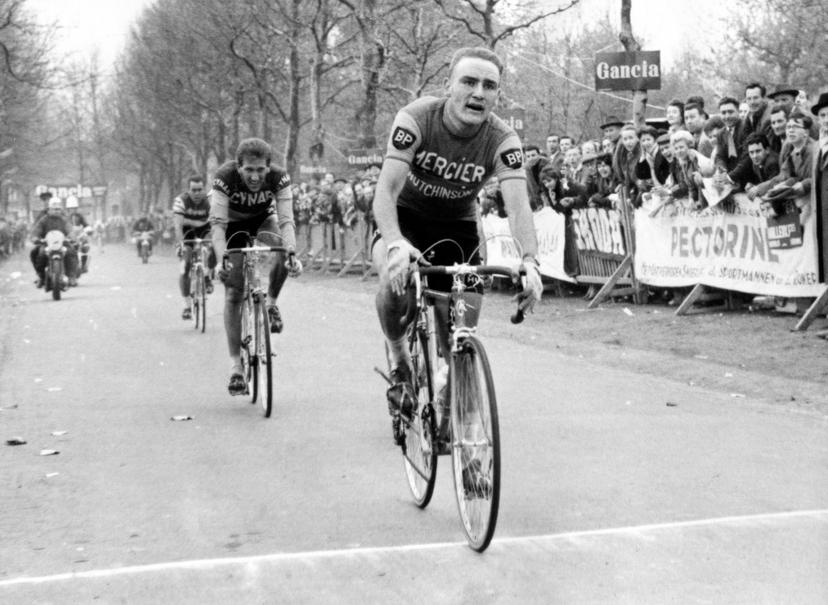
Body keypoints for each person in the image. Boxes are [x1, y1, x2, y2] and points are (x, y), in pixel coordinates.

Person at [370, 46, 542, 423]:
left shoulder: (503, 139)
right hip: (404, 218)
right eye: (469, 82)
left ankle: (459, 413)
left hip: (457, 227)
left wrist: (530, 261)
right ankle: (399, 359)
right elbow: (386, 190)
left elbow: (518, 207)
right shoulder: (416, 118)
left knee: (461, 329)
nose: (478, 93)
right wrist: (396, 242)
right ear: (449, 86)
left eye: (489, 86)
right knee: (393, 279)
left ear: (498, 95)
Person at [209, 138, 303, 395]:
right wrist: (221, 260)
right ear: (238, 166)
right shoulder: (224, 177)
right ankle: (236, 368)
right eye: (248, 169)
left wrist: (292, 254)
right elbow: (217, 226)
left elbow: (286, 221)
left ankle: (271, 304)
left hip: (263, 219)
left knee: (283, 249)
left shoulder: (279, 177)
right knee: (233, 292)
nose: (254, 176)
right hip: (232, 226)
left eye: (260, 170)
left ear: (268, 167)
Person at [173, 175, 215, 320]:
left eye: (199, 190)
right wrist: (180, 244)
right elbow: (178, 225)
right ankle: (187, 306)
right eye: (193, 190)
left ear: (204, 189)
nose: (197, 193)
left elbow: (215, 223)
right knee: (184, 267)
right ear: (188, 190)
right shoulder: (181, 200)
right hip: (187, 233)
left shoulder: (210, 200)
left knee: (215, 247)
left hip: (205, 230)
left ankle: (207, 275)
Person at [29, 197, 80, 288]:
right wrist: (35, 238)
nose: (57, 211)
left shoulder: (64, 220)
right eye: (54, 209)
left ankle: (72, 277)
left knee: (71, 252)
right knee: (37, 253)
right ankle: (41, 276)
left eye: (58, 209)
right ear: (49, 209)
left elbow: (69, 229)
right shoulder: (44, 220)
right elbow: (37, 230)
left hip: (62, 243)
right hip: (46, 243)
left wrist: (72, 237)